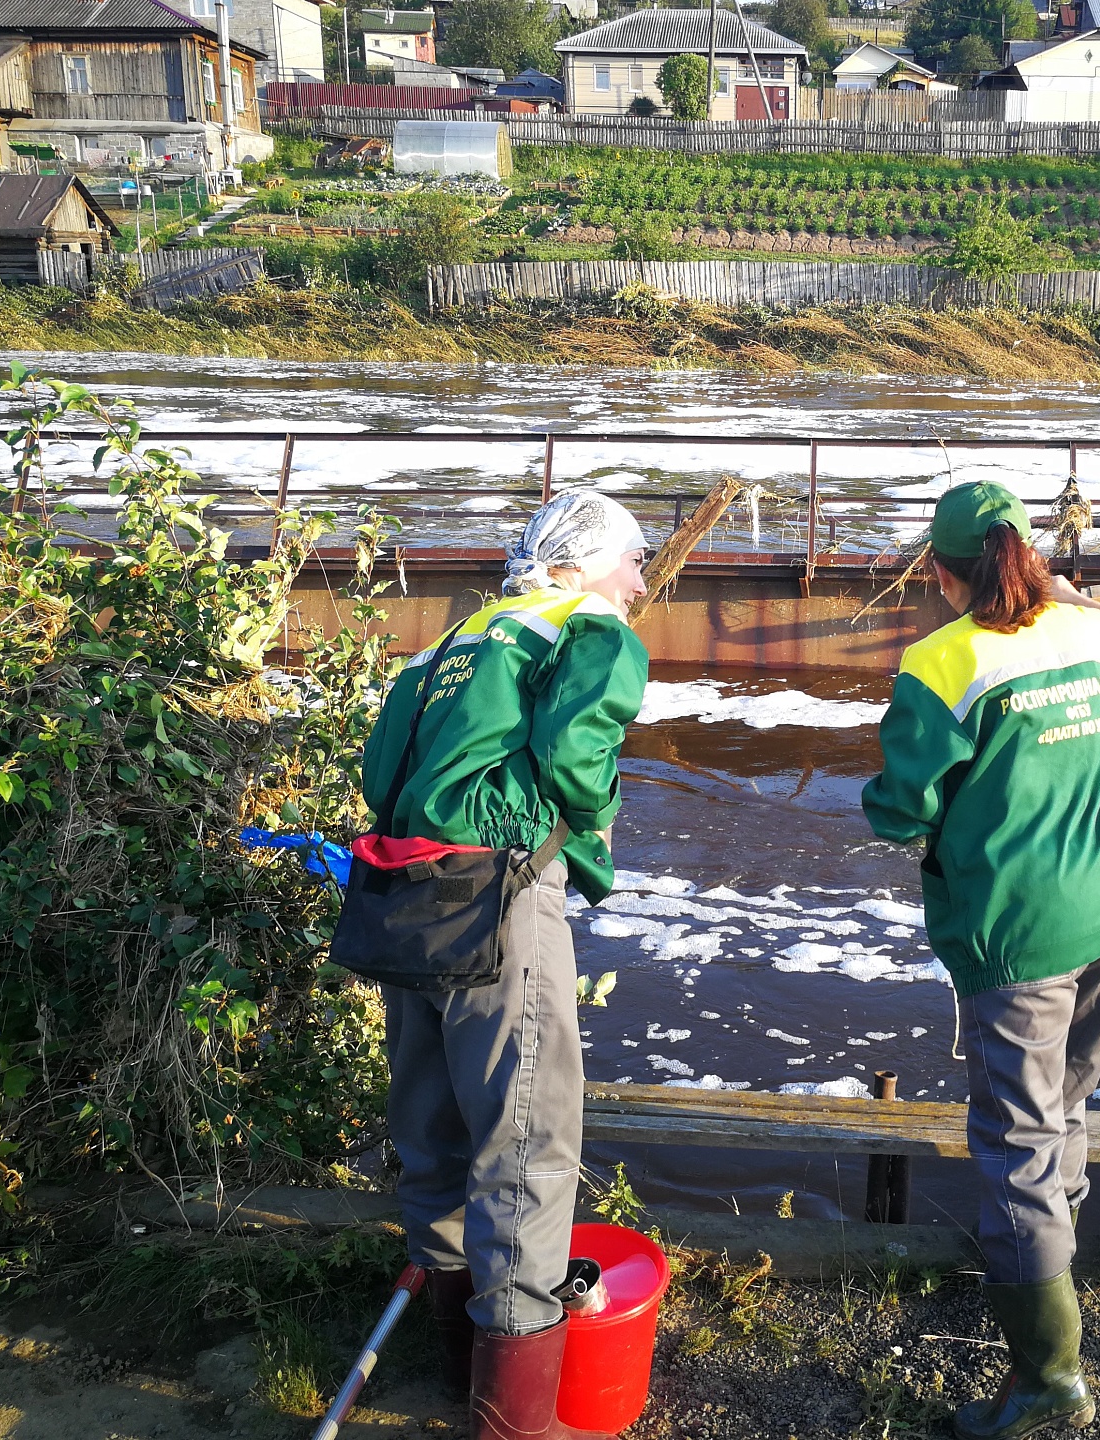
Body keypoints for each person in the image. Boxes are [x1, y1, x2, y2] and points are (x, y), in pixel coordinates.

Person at [861, 481, 1100, 1440]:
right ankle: (1051, 1261)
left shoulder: (941, 660)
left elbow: (900, 808)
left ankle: (1048, 1378)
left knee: (1016, 1143)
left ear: (941, 572)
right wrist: (1078, 598)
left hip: (1019, 934)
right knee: (1066, 1105)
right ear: (1029, 556)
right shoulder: (1084, 635)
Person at [361, 490, 650, 1440]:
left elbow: (379, 772)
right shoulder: (588, 627)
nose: (639, 582)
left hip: (408, 898)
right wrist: (589, 839)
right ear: (586, 563)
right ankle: (516, 1419)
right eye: (633, 559)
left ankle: (458, 1367)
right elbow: (577, 752)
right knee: (528, 1137)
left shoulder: (456, 640)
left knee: (434, 1124)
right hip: (499, 895)